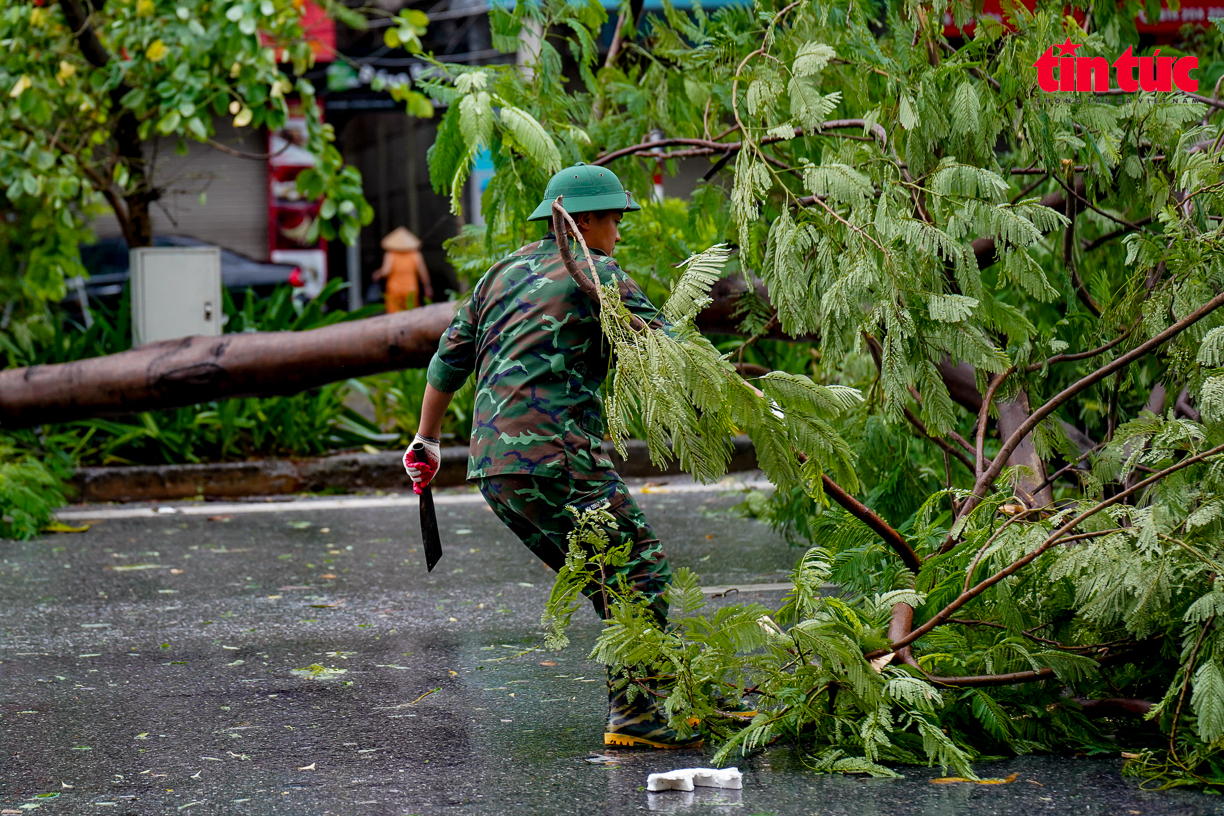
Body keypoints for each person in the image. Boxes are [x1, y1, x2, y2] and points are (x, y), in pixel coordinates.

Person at [402, 163, 700, 749]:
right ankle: (638, 716)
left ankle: (666, 695)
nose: (619, 230)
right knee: (637, 568)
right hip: (556, 456)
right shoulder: (595, 271)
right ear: (583, 220)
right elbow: (666, 346)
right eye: (614, 218)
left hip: (492, 467)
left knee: (608, 576)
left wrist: (427, 441)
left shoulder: (499, 273)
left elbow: (448, 360)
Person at [374, 227, 433, 312]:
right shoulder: (415, 254)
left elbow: (385, 271)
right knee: (411, 314)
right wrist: (427, 287)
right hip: (411, 288)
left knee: (394, 315)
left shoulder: (390, 254)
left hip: (394, 289)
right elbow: (423, 273)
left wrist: (377, 274)